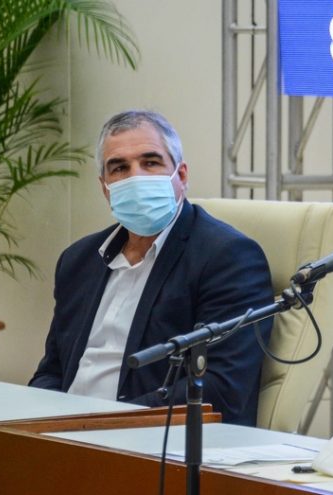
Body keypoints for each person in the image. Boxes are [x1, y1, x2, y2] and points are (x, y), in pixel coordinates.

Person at [30, 110, 273, 425]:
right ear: (105, 187)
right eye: (119, 168)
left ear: (181, 176)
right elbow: (53, 370)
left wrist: (104, 422)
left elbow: (221, 387)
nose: (136, 177)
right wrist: (34, 415)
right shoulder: (78, 260)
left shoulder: (228, 257)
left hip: (151, 444)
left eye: (151, 162)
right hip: (67, 436)